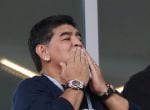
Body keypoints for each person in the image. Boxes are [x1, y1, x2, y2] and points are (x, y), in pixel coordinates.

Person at [12, 15, 140, 110]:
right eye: (66, 38)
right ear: (43, 52)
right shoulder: (31, 88)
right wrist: (76, 83)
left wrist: (104, 90)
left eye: (79, 38)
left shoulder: (95, 92)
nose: (78, 43)